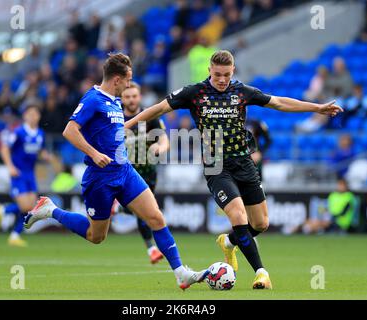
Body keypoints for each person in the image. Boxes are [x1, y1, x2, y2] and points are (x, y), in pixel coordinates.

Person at [124, 50, 343, 289]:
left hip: (244, 163)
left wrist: (316, 108)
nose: (221, 79)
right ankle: (261, 273)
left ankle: (229, 242)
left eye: (226, 74)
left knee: (260, 224)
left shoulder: (241, 91)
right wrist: (129, 123)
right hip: (216, 166)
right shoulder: (194, 93)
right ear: (209, 71)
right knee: (238, 216)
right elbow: (159, 108)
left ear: (233, 71)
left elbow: (279, 102)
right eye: (217, 74)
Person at [23, 53, 209, 290]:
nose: (130, 85)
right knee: (96, 236)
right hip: (99, 178)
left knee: (156, 217)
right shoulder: (93, 99)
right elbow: (69, 131)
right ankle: (51, 210)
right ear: (117, 79)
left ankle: (181, 272)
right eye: (128, 80)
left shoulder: (115, 101)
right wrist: (93, 153)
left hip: (125, 171)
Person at [112, 82, 169, 264]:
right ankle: (151, 248)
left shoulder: (149, 116)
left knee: (143, 210)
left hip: (149, 171)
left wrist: (159, 147)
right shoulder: (116, 119)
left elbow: (164, 138)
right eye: (127, 96)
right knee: (144, 211)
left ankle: (120, 208)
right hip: (126, 173)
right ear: (122, 98)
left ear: (139, 97)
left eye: (134, 96)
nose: (131, 100)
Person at [0, 100, 54, 247]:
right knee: (25, 207)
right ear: (25, 116)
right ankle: (3, 210)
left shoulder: (40, 133)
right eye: (30, 113)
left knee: (31, 207)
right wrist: (10, 167)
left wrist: (46, 156)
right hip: (18, 173)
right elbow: (4, 149)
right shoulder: (18, 132)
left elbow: (39, 150)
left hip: (30, 174)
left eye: (36, 113)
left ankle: (14, 236)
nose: (33, 116)